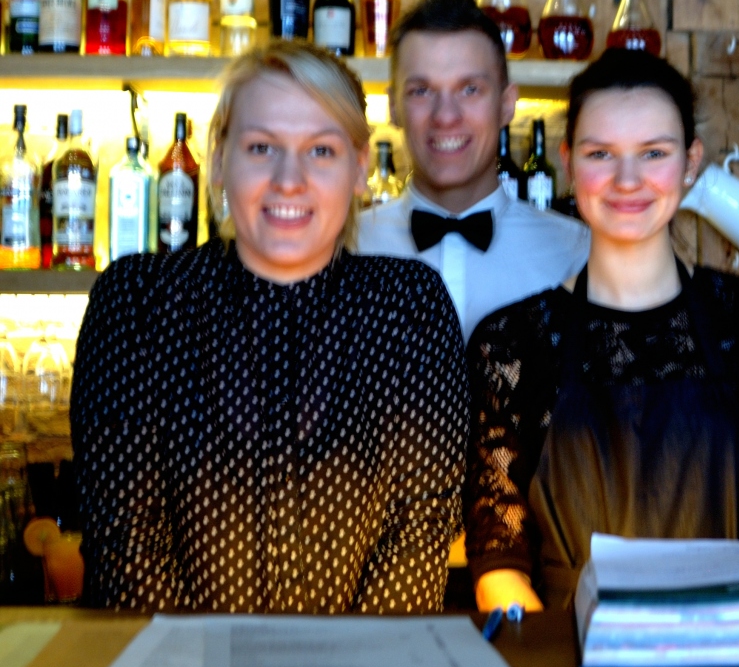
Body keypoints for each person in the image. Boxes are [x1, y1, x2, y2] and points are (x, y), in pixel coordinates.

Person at [71, 42, 470, 613]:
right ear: (219, 160)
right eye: (262, 147)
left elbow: (418, 534)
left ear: (360, 168)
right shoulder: (139, 302)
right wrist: (197, 659)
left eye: (321, 151)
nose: (289, 180)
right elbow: (127, 542)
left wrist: (357, 660)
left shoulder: (409, 307)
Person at [464, 49, 739, 613]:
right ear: (569, 163)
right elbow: (498, 558)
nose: (627, 180)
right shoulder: (511, 340)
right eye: (601, 154)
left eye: (653, 153)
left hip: (721, 636)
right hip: (565, 641)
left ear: (690, 162)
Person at [358, 0, 589, 341]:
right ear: (393, 107)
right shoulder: (345, 249)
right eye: (421, 91)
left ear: (507, 104)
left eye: (469, 89)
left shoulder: (577, 252)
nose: (445, 116)